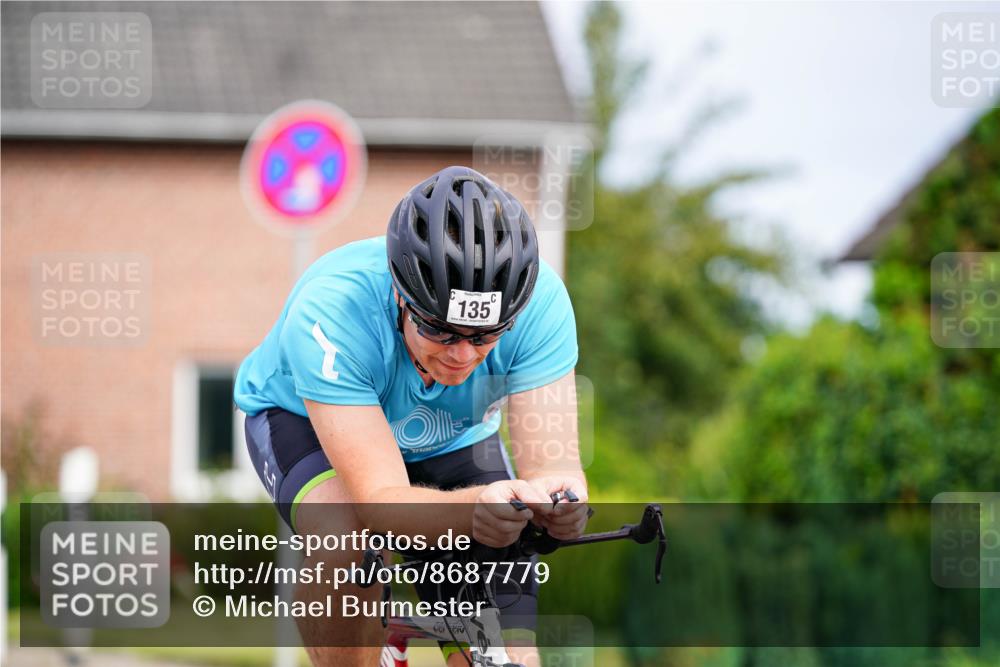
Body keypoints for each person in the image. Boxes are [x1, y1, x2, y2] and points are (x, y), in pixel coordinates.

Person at [234, 165, 589, 667]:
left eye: (486, 336)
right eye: (441, 331)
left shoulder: (541, 305)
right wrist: (476, 511)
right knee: (345, 537)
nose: (463, 356)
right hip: (304, 421)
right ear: (401, 295)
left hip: (452, 438)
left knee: (506, 652)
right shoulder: (334, 308)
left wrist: (562, 503)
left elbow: (555, 466)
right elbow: (381, 504)